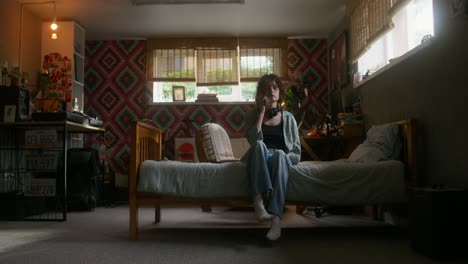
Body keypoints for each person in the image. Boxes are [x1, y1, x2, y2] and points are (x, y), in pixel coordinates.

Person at [241, 73, 301, 241]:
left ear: (280, 92)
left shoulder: (289, 119)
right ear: (261, 94)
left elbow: (296, 152)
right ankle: (258, 202)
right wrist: (261, 113)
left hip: (280, 160)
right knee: (260, 145)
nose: (271, 90)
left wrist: (287, 157)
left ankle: (276, 220)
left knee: (281, 154)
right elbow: (254, 141)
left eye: (275, 87)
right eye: (266, 88)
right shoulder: (251, 116)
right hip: (260, 157)